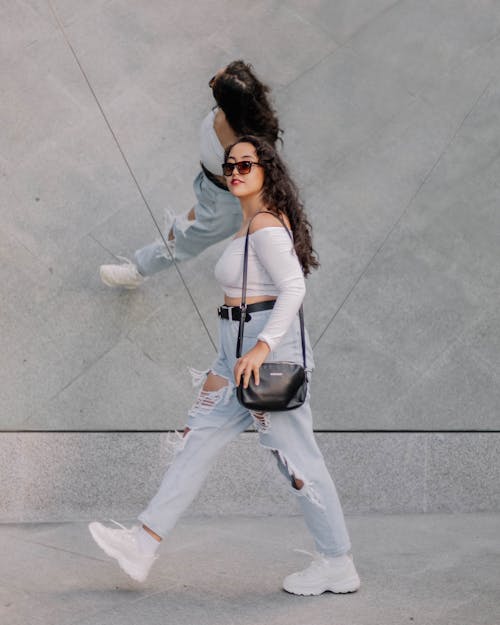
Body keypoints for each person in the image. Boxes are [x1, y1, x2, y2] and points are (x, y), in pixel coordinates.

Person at [89, 136, 360, 596]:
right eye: (229, 165)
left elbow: (293, 289)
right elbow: (237, 310)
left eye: (245, 164)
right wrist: (219, 372)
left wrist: (260, 350)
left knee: (298, 463)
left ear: (266, 170)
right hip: (236, 350)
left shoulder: (267, 225)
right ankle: (143, 543)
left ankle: (337, 563)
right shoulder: (249, 222)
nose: (234, 171)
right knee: (197, 441)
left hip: (265, 353)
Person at [99, 60, 281, 288]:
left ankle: (137, 271)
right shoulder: (234, 114)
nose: (211, 83)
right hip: (211, 190)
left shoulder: (243, 148)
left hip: (224, 205)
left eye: (215, 83)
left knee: (183, 241)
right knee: (190, 224)